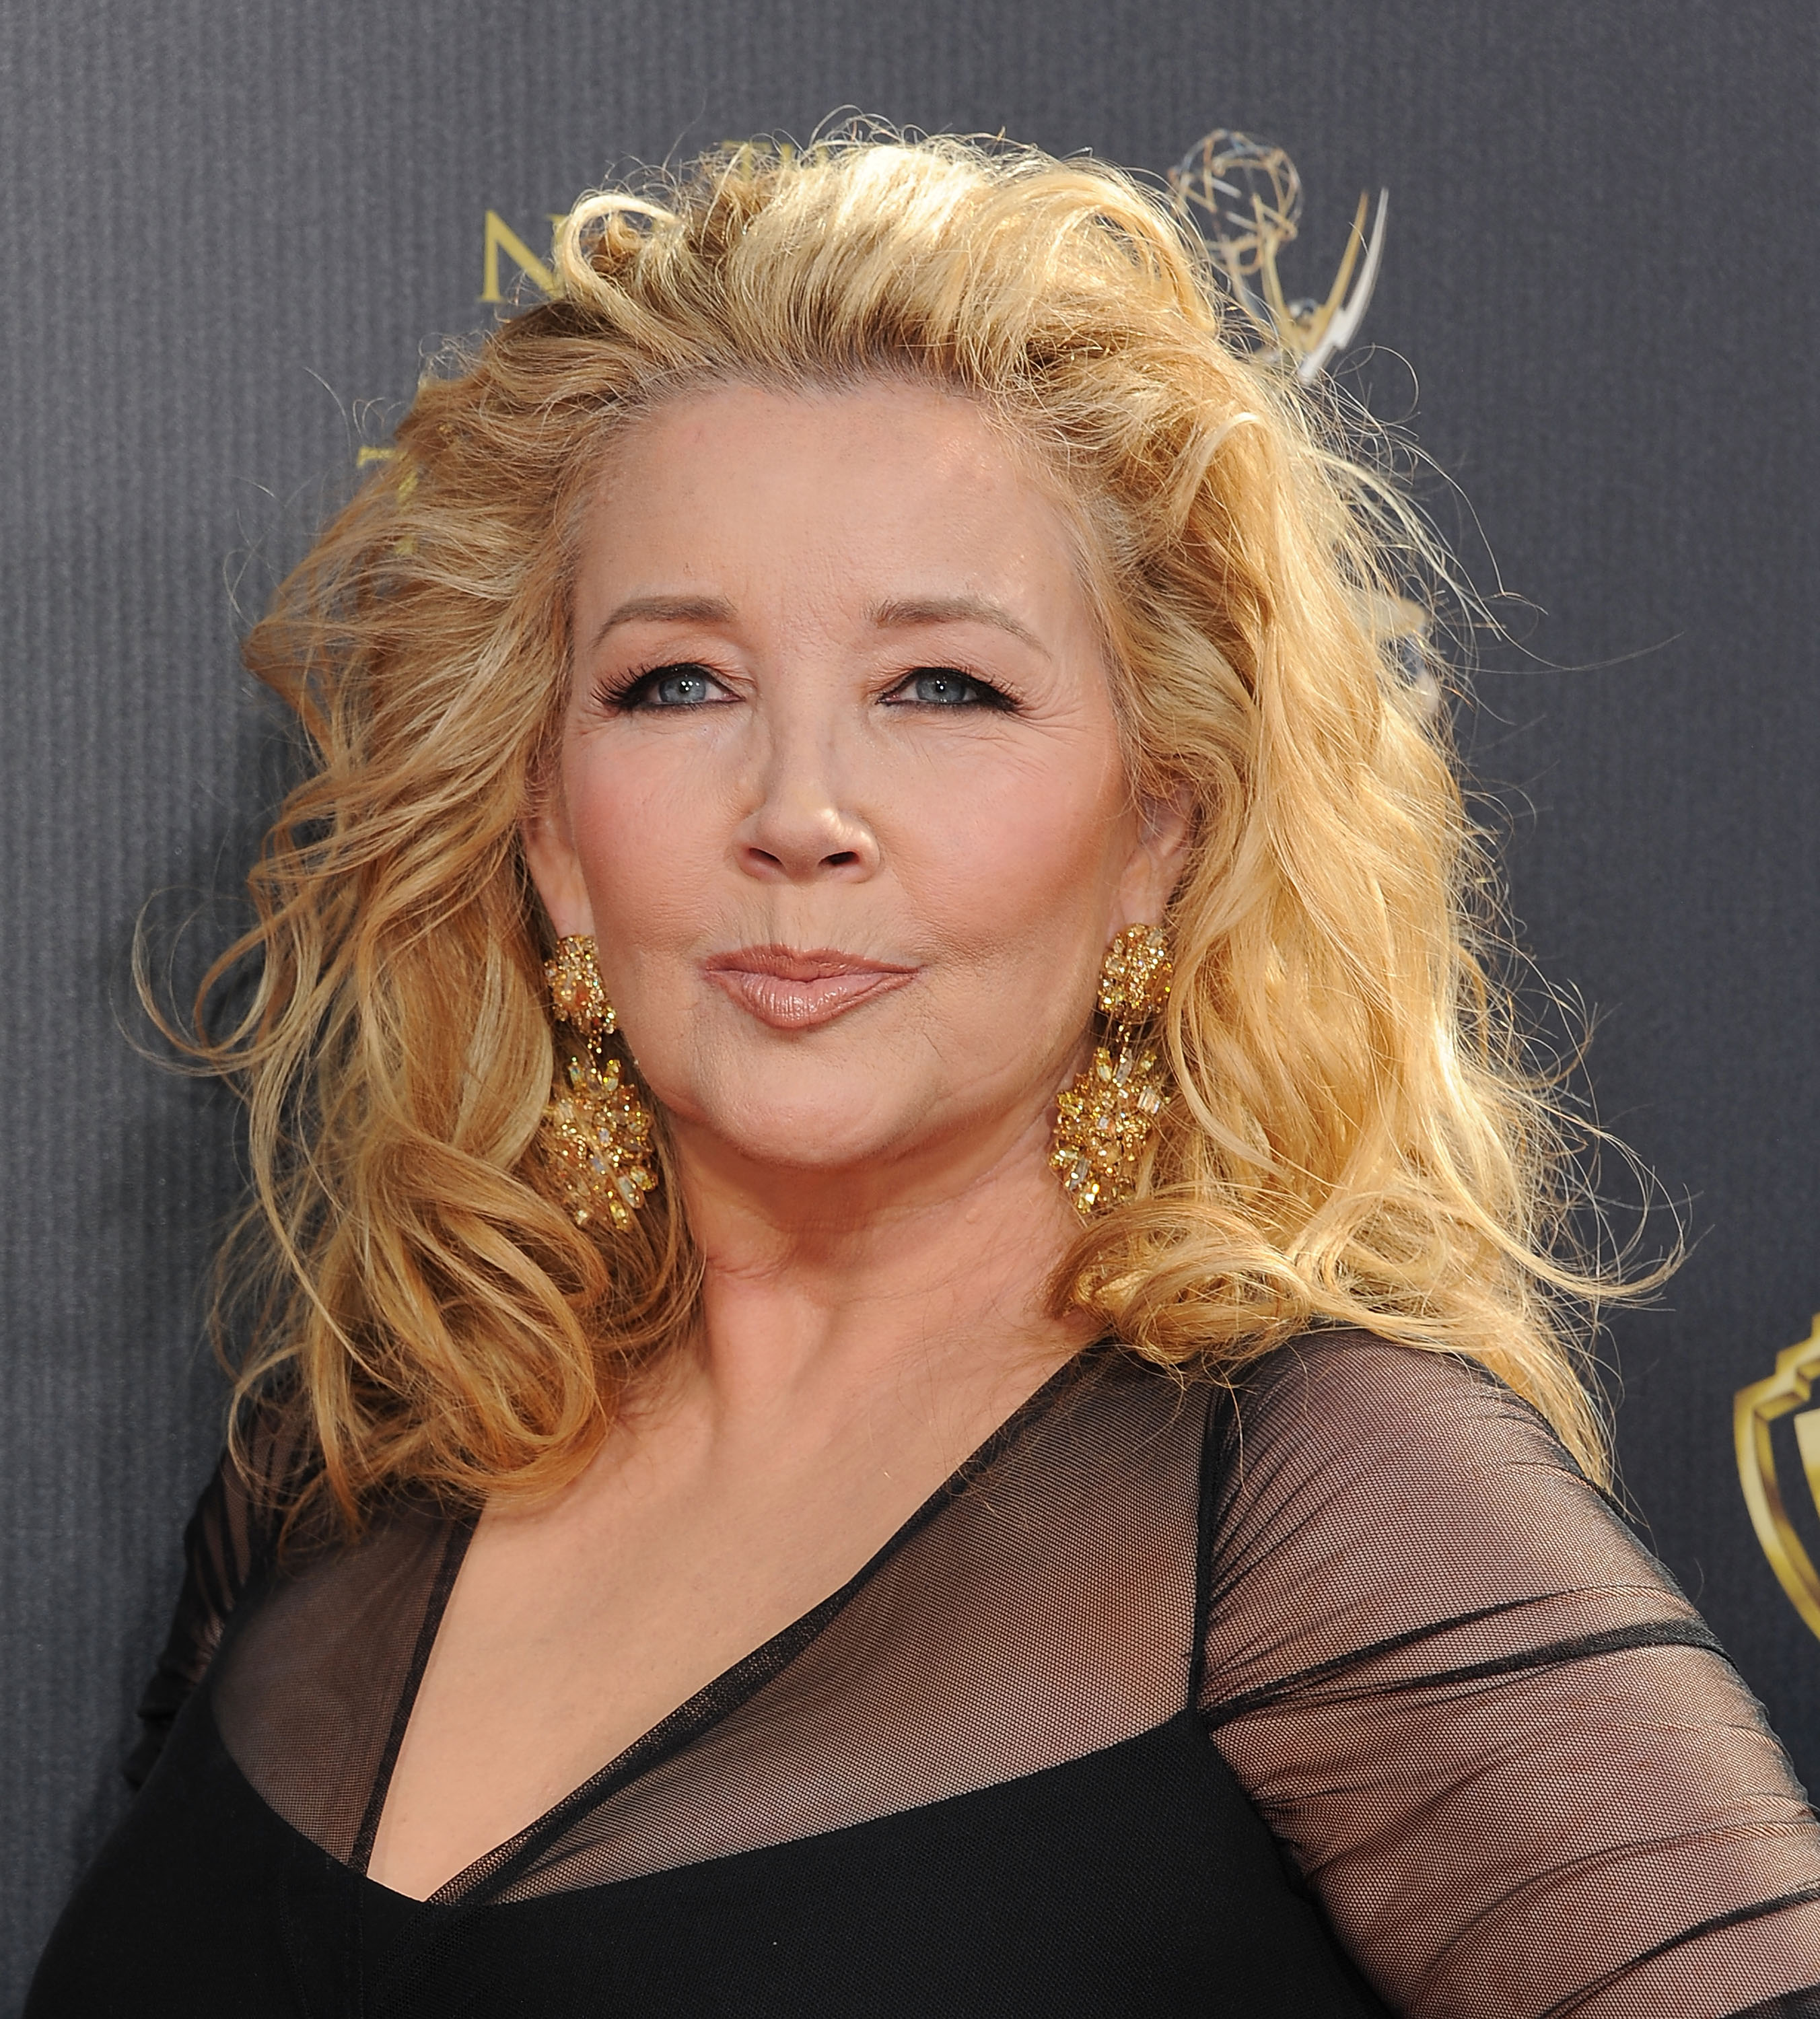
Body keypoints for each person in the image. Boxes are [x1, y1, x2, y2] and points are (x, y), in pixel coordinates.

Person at [27, 133, 1820, 2018]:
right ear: (550, 831)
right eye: (678, 684)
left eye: (943, 689)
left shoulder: (1316, 1499)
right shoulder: (350, 1471)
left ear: (1159, 831)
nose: (800, 811)